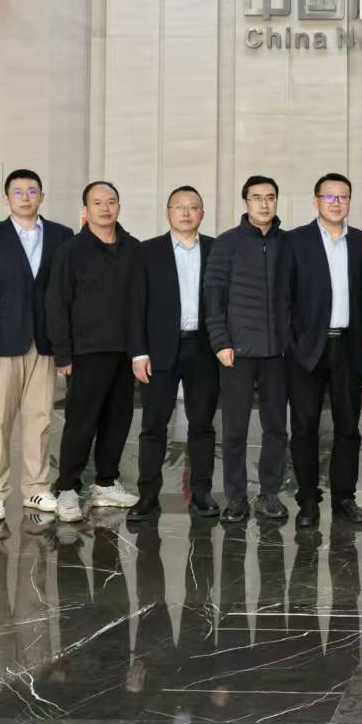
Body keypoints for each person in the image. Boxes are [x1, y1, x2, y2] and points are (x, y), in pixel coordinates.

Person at [0, 168, 74, 524]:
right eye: (18, 192)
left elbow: (68, 293)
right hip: (1, 344)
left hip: (44, 343)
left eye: (32, 191)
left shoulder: (62, 236)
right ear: (7, 198)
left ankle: (36, 487)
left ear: (42, 196)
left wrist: (64, 345)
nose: (25, 197)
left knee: (40, 419)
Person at [45, 180, 147, 523]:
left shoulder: (133, 248)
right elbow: (57, 304)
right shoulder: (71, 250)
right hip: (86, 351)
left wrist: (140, 351)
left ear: (119, 206)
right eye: (98, 202)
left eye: (111, 201)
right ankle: (67, 488)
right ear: (85, 210)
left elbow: (140, 302)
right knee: (81, 423)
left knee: (118, 420)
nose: (105, 208)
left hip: (124, 352)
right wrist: (63, 354)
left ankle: (105, 483)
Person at [284, 173, 362, 529]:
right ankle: (308, 500)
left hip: (348, 347)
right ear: (316, 201)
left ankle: (344, 498)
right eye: (329, 196)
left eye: (343, 197)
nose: (336, 203)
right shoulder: (295, 241)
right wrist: (292, 344)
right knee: (304, 426)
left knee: (348, 426)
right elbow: (284, 297)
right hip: (306, 349)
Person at [202, 175, 292, 524]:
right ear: (246, 203)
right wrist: (221, 342)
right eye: (257, 198)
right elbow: (213, 297)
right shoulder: (227, 243)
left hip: (278, 353)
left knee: (276, 428)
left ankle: (269, 494)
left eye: (270, 197)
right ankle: (236, 497)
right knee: (235, 429)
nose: (264, 204)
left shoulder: (289, 243)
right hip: (236, 353)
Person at [127, 186, 218, 525]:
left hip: (204, 348)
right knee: (153, 425)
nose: (186, 212)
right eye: (179, 206)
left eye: (193, 207)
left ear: (202, 214)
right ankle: (148, 495)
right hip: (159, 348)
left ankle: (202, 492)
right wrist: (138, 353)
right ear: (168, 213)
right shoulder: (147, 251)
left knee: (202, 424)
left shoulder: (216, 249)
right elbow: (134, 306)